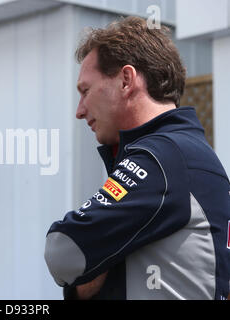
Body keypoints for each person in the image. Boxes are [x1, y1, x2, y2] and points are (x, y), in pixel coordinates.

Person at [44, 16, 230, 300]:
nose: (80, 111)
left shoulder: (161, 158)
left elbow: (63, 250)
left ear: (126, 81)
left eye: (86, 91)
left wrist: (98, 257)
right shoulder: (188, 153)